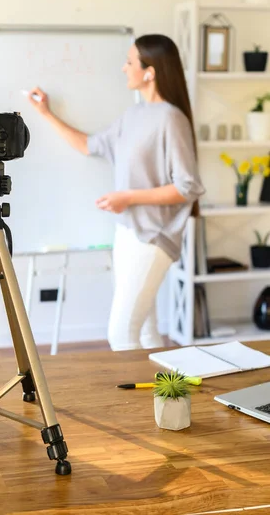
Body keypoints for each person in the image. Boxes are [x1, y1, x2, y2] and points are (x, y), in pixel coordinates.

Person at [28, 34, 205, 351]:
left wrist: (129, 197)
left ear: (149, 72)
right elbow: (88, 145)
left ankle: (138, 400)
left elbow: (187, 186)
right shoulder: (134, 116)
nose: (123, 68)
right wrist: (46, 113)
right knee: (147, 333)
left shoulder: (171, 119)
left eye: (129, 62)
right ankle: (158, 399)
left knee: (121, 333)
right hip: (126, 233)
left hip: (153, 237)